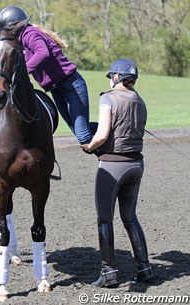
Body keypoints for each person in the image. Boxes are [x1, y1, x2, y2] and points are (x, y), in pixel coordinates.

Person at [81, 58, 154, 287]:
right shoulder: (139, 100)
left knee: (105, 219)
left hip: (112, 166)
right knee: (130, 218)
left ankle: (108, 272)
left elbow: (102, 135)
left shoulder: (108, 98)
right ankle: (145, 269)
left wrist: (89, 146)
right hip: (136, 165)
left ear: (116, 77)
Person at [0, 5, 95, 146]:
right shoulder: (19, 40)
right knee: (78, 130)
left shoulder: (29, 34)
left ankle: (113, 153)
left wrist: (24, 71)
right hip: (56, 89)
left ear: (15, 26)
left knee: (83, 136)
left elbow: (43, 52)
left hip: (71, 85)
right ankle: (114, 132)